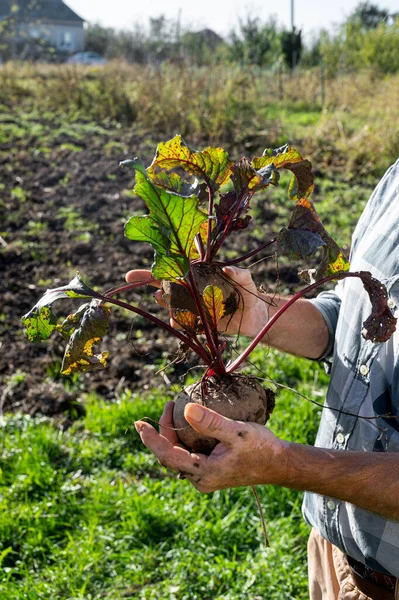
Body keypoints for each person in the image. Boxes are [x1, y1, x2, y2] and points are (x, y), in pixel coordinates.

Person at [128, 158, 399, 600]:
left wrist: (284, 465)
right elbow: (351, 318)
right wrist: (256, 312)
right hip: (334, 553)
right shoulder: (396, 179)